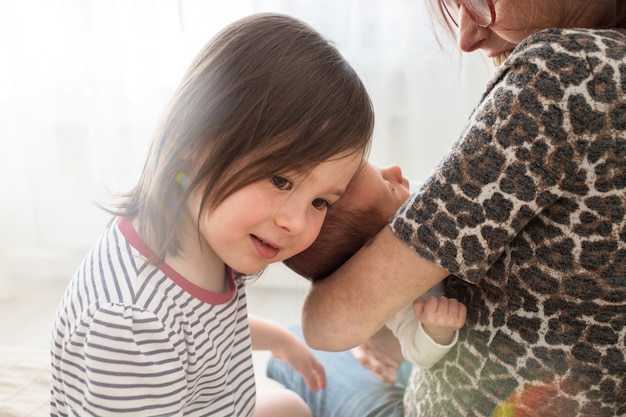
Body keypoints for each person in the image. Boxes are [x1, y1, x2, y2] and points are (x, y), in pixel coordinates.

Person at [282, 1, 626, 416]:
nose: (465, 37)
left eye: (480, 3)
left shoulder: (563, 71)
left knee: (294, 356)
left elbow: (327, 323)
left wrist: (374, 315)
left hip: (468, 403)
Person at [50, 12, 375, 417]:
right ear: (196, 138)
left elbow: (203, 327)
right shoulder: (128, 325)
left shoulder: (209, 239)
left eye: (320, 202)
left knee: (291, 407)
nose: (296, 222)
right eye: (280, 179)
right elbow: (169, 328)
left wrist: (281, 340)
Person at [283, 162, 467, 371]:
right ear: (377, 244)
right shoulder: (399, 295)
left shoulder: (419, 198)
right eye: (389, 187)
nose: (396, 169)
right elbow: (418, 354)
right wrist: (436, 331)